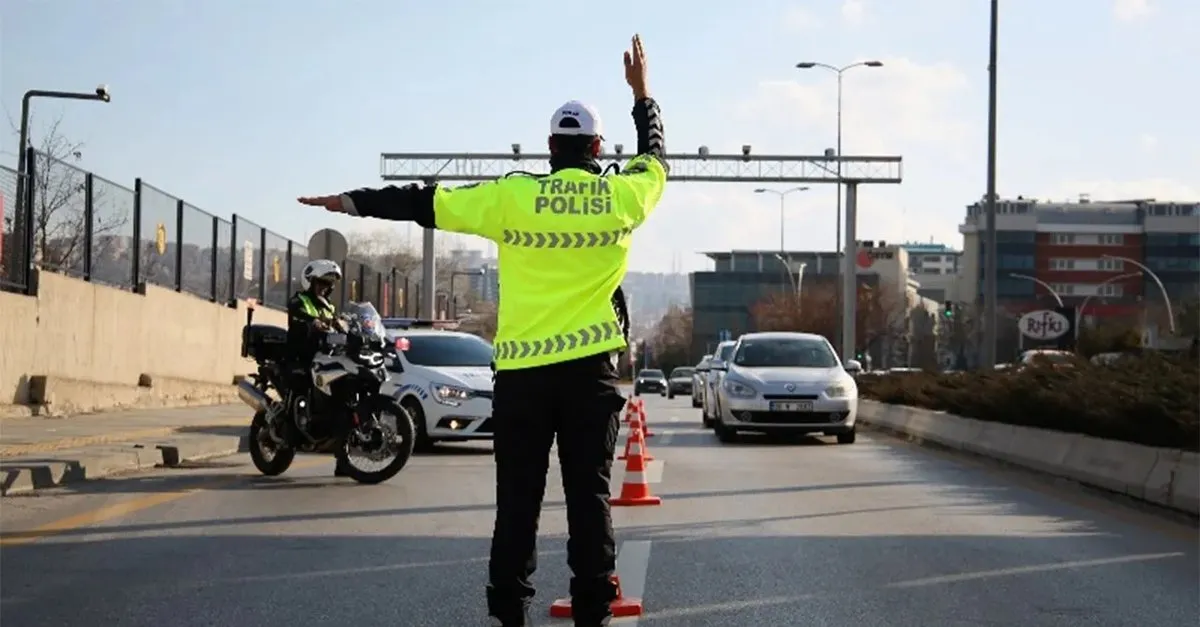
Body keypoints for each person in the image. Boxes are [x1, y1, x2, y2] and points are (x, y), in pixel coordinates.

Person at [297, 35, 666, 627]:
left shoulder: (512, 197)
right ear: (598, 148)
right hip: (590, 376)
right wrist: (642, 95)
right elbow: (656, 158)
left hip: (521, 380)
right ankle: (593, 613)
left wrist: (351, 201)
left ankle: (508, 615)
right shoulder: (622, 196)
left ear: (550, 149)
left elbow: (425, 202)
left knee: (517, 503)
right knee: (589, 500)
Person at [286, 259, 349, 477]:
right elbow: (296, 311)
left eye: (328, 284)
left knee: (342, 402)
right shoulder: (300, 300)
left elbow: (338, 324)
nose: (325, 287)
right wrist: (313, 321)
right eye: (321, 283)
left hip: (325, 358)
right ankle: (296, 425)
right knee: (303, 389)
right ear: (310, 282)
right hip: (301, 356)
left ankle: (343, 459)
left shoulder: (329, 306)